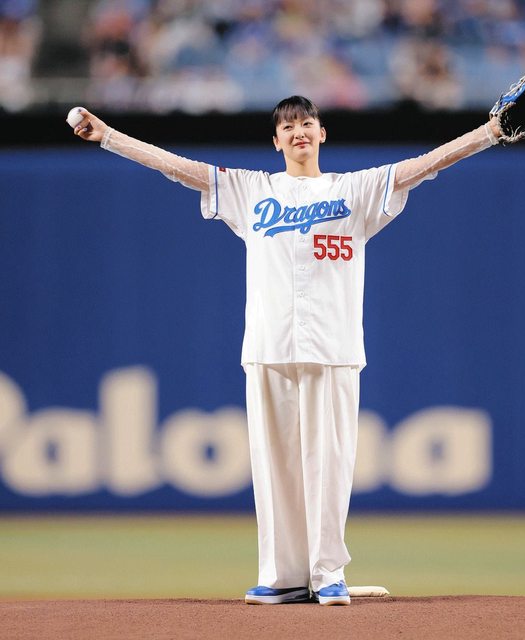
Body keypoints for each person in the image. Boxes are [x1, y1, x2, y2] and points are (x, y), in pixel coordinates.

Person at [70, 96, 502, 605]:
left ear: (323, 133)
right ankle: (283, 577)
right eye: (289, 126)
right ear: (275, 141)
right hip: (268, 344)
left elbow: (426, 165)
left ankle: (328, 572)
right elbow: (177, 167)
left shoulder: (353, 189)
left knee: (329, 463)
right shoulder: (252, 189)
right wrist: (109, 137)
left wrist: (490, 133)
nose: (299, 131)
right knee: (273, 466)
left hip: (333, 346)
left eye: (307, 123)